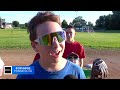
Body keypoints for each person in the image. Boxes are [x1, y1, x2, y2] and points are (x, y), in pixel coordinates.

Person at [16, 11, 86, 79]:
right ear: (34, 46)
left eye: (60, 36)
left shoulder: (77, 72)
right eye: (47, 39)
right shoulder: (25, 75)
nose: (56, 44)